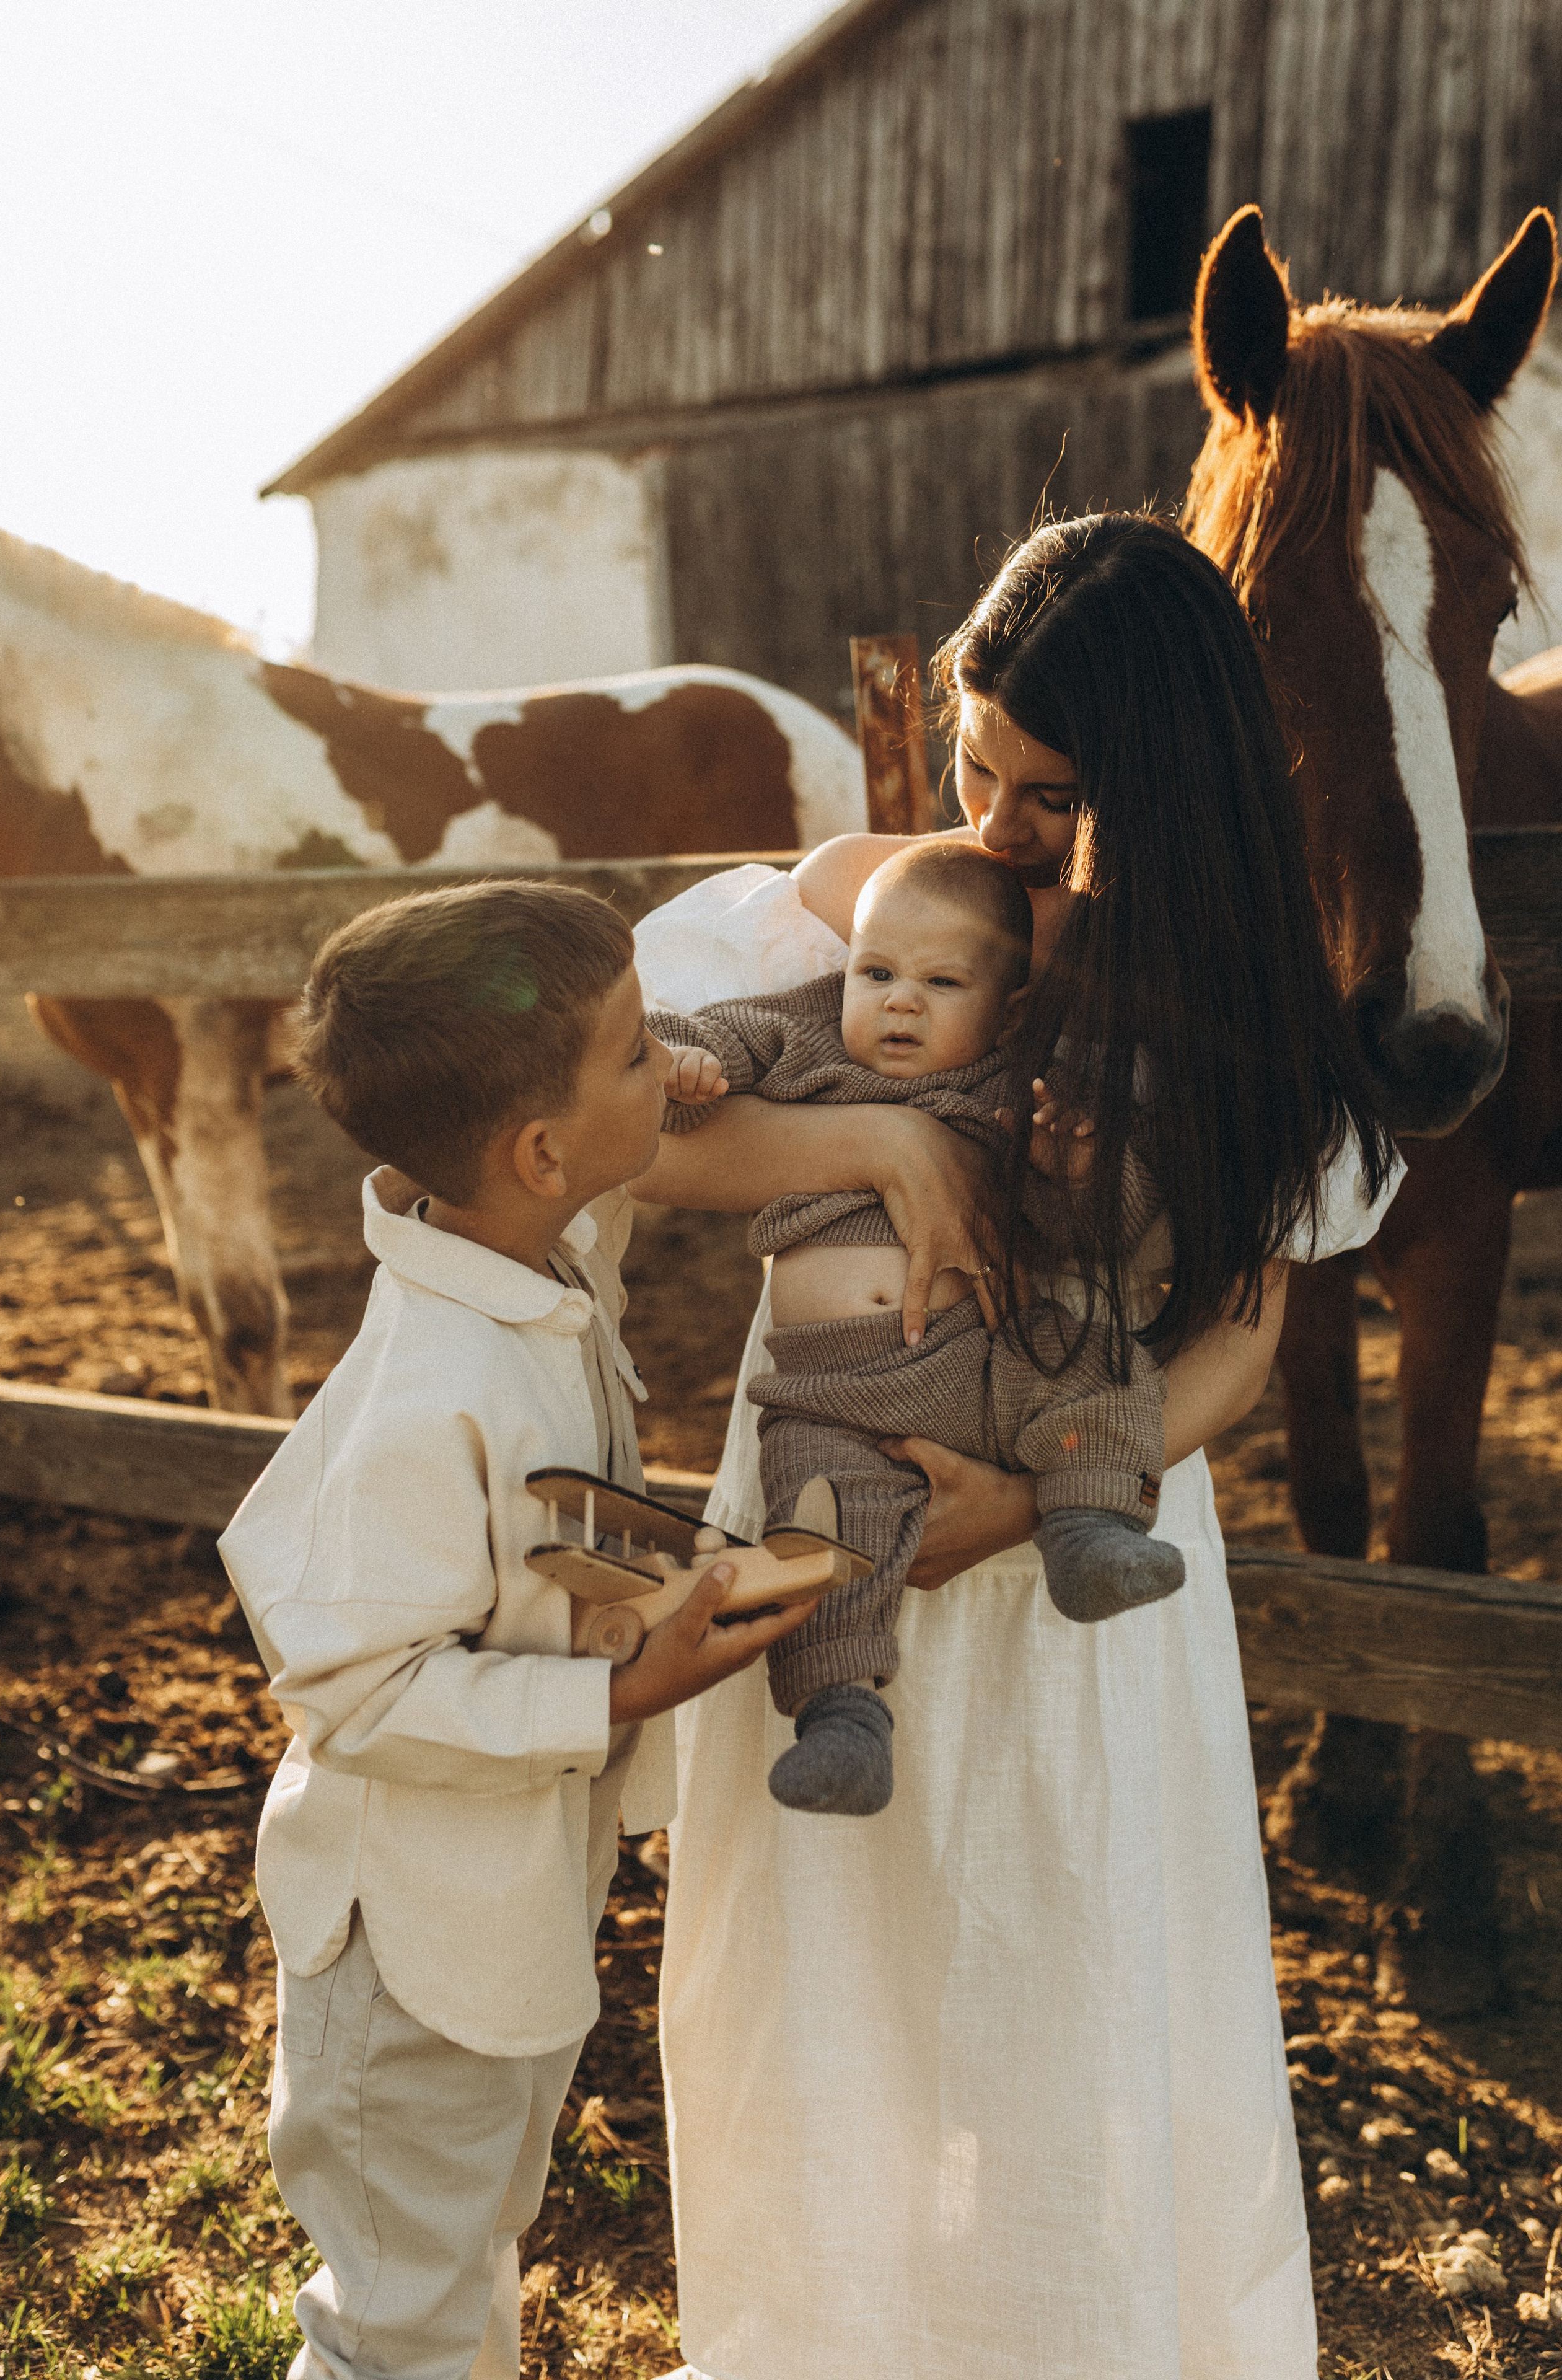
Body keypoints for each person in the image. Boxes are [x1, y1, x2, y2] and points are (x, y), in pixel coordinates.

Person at [631, 513, 1397, 2379]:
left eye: (1047, 792)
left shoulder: (1222, 996)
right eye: (975, 758)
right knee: (827, 1974)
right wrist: (891, 1145)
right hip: (832, 1502)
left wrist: (1045, 1499)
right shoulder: (864, 908)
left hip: (1069, 1535)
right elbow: (659, 1138)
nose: (991, 821)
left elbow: (1247, 1330)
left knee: (1064, 1966)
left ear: (1161, 781)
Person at [217, 881, 809, 2380]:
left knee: (472, 2244)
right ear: (541, 1151)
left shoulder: (523, 1256)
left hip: (499, 1927)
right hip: (406, 1964)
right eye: (633, 1053)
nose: (666, 1063)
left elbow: (587, 1208)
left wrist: (648, 1065)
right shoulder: (430, 1390)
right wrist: (617, 1696)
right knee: (396, 2320)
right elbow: (355, 1693)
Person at [649, 835, 1182, 1818]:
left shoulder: (1023, 1087)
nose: (899, 1001)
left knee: (1093, 1365)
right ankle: (842, 1720)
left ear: (1009, 1009)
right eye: (877, 971)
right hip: (830, 1393)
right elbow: (717, 1044)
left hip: (981, 1360)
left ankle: (1089, 1526)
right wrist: (683, 1062)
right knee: (819, 1530)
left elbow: (1107, 1239)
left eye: (941, 982)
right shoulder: (808, 1034)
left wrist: (1077, 1170)